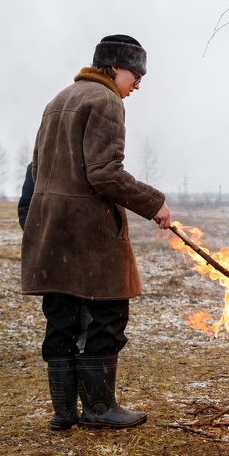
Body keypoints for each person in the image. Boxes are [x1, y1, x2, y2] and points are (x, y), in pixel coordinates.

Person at [21, 34, 172, 430]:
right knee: (106, 315)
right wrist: (154, 202)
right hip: (89, 235)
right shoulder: (106, 101)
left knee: (62, 320)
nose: (137, 83)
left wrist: (33, 220)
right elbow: (104, 173)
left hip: (54, 232)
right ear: (114, 68)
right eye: (135, 74)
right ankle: (100, 408)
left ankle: (64, 413)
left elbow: (36, 169)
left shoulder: (59, 100)